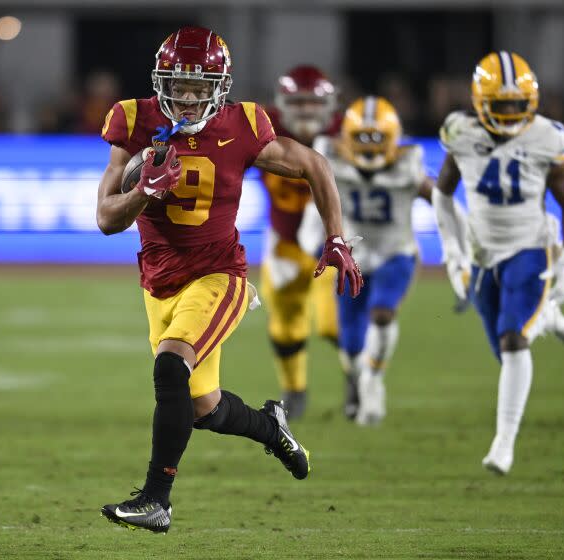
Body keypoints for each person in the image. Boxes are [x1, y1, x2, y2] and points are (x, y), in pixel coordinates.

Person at [95, 26, 362, 532]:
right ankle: (272, 429)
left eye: (200, 87)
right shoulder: (131, 120)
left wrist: (337, 239)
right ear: (160, 83)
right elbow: (107, 218)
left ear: (221, 86)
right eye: (178, 85)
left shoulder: (244, 125)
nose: (188, 98)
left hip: (220, 275)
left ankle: (157, 500)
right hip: (159, 282)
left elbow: (315, 165)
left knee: (171, 367)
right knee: (202, 407)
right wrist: (142, 194)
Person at [433, 51, 564, 475]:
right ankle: (547, 315)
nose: (512, 115)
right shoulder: (460, 132)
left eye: (519, 106)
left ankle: (504, 443)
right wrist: (453, 254)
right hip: (482, 255)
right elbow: (442, 195)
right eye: (503, 107)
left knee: (513, 340)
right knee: (503, 350)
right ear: (480, 102)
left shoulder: (547, 139)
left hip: (530, 248)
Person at [298, 96, 435, 424]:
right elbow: (317, 202)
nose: (369, 146)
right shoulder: (331, 159)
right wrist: (311, 238)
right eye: (361, 137)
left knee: (383, 312)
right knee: (350, 342)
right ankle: (361, 379)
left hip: (394, 253)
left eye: (376, 138)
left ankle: (372, 382)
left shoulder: (408, 163)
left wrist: (461, 244)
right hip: (353, 257)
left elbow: (440, 201)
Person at [260, 65, 342, 420]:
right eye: (299, 103)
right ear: (283, 103)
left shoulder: (347, 132)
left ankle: (360, 380)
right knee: (285, 320)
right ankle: (293, 390)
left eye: (313, 103)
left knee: (333, 322)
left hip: (332, 241)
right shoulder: (262, 128)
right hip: (284, 241)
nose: (307, 110)